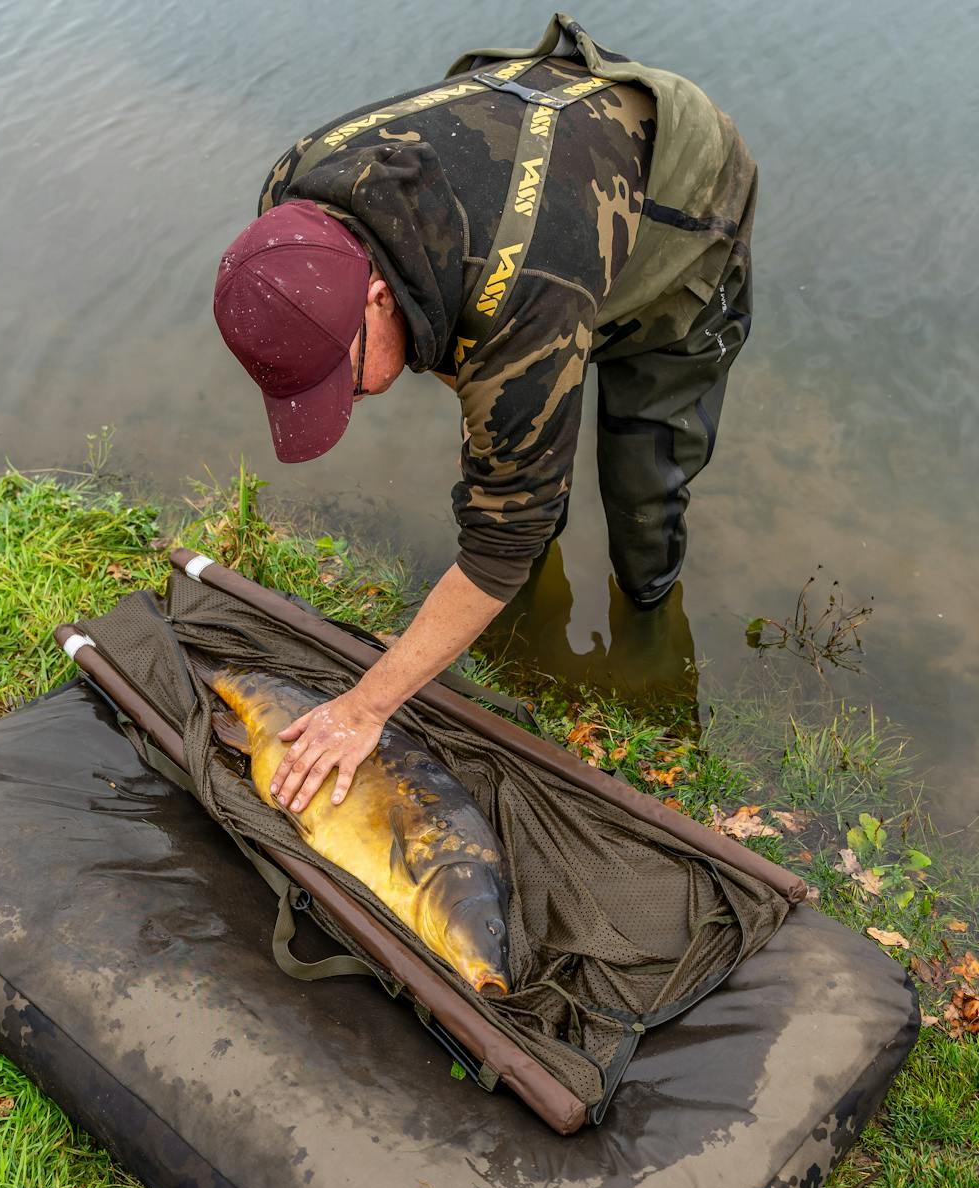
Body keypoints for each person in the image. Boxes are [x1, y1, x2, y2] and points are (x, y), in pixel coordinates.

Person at [213, 13, 755, 814]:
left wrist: (363, 709)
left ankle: (648, 620)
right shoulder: (290, 207)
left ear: (374, 294)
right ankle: (534, 588)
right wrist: (507, 456)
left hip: (681, 206)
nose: (352, 400)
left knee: (642, 480)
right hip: (543, 214)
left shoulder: (522, 297)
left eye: (346, 378)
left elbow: (498, 535)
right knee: (510, 462)